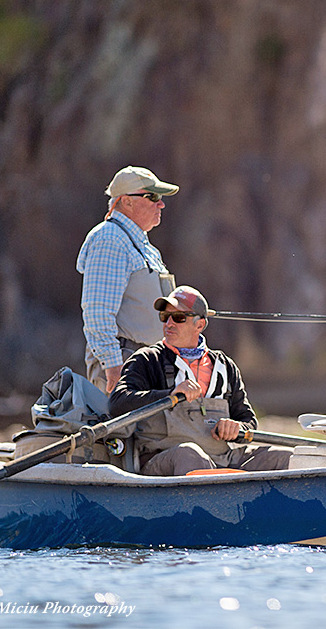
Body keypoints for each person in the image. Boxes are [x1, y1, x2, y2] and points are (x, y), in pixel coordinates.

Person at [108, 285, 292, 476]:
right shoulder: (147, 359)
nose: (168, 323)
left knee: (286, 457)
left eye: (178, 317)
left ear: (200, 325)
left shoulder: (225, 366)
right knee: (190, 454)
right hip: (165, 460)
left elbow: (249, 422)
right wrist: (169, 395)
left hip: (224, 459)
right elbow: (117, 402)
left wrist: (238, 428)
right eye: (165, 316)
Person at [76, 166, 178, 394]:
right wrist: (113, 367)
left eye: (160, 197)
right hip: (125, 364)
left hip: (150, 364)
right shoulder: (110, 239)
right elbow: (97, 310)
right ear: (126, 202)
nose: (160, 204)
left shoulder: (143, 245)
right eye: (152, 196)